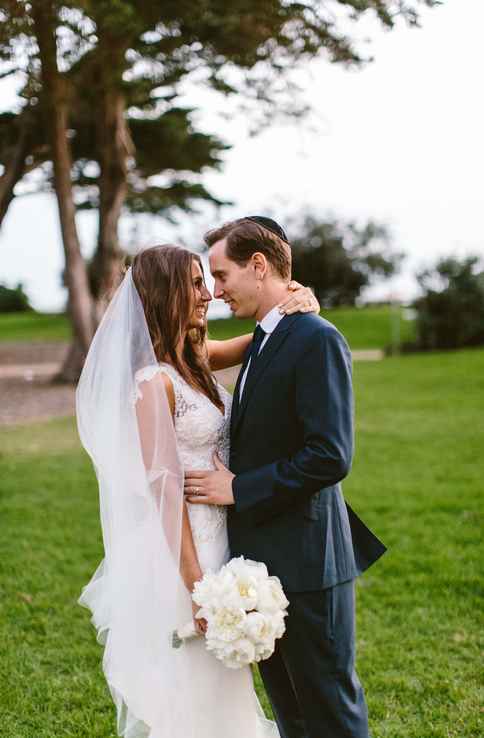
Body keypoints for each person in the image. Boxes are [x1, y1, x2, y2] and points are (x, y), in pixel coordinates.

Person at [76, 242, 319, 738]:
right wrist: (194, 589)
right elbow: (164, 492)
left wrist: (294, 301)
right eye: (192, 283)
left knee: (225, 690)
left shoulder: (194, 358)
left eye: (206, 280)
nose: (206, 293)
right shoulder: (152, 383)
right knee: (194, 692)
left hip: (222, 539)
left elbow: (262, 340)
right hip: (187, 555)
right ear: (165, 294)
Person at [183, 216, 387, 738]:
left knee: (330, 713)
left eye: (222, 274)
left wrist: (238, 488)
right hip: (263, 568)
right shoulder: (266, 336)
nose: (216, 289)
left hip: (310, 564)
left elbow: (330, 454)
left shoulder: (315, 338)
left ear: (258, 265)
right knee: (292, 716)